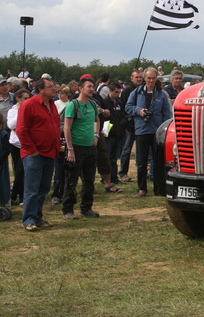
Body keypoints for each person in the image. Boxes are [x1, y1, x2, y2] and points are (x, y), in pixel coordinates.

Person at [15, 77, 60, 231]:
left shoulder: (52, 104)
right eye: (50, 86)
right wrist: (32, 149)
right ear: (40, 89)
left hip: (50, 152)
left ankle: (37, 217)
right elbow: (21, 129)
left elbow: (54, 126)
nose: (54, 89)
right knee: (32, 188)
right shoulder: (29, 105)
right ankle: (28, 220)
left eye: (54, 86)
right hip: (34, 154)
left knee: (43, 188)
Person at [126, 67, 171, 197]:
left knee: (157, 161)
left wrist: (163, 130)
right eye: (149, 78)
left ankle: (158, 188)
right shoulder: (136, 92)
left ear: (156, 78)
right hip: (141, 130)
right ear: (144, 78)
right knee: (141, 161)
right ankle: (142, 188)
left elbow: (166, 114)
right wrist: (138, 111)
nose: (151, 80)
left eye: (153, 78)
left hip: (156, 132)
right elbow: (128, 107)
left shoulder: (162, 95)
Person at [61, 77, 102, 220]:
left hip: (90, 148)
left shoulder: (92, 104)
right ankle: (67, 209)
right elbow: (67, 128)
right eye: (89, 86)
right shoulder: (73, 105)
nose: (92, 89)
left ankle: (86, 208)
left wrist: (96, 135)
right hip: (76, 148)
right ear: (80, 89)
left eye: (93, 86)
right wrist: (70, 149)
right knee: (71, 180)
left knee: (89, 180)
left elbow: (97, 119)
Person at [118, 69, 144, 183]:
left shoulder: (145, 90)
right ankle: (123, 172)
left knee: (140, 151)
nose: (139, 79)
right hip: (130, 125)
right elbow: (123, 108)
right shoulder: (127, 91)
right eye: (136, 77)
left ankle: (140, 172)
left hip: (142, 125)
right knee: (126, 149)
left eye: (140, 77)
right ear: (131, 78)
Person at [7, 89, 30, 206]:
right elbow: (11, 125)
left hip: (26, 144)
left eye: (28, 98)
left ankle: (16, 195)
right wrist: (20, 111)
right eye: (25, 98)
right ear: (18, 99)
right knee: (18, 171)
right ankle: (17, 195)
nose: (27, 100)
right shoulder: (13, 111)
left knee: (23, 171)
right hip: (15, 144)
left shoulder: (30, 109)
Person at [102, 82, 126, 188]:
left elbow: (122, 116)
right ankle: (105, 178)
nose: (118, 94)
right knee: (106, 157)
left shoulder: (119, 103)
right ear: (110, 91)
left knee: (114, 157)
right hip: (108, 133)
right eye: (116, 92)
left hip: (118, 133)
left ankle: (114, 177)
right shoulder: (105, 102)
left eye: (119, 92)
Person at [0, 113, 10, 208]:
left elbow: (7, 149)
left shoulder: (3, 134)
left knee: (2, 183)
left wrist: (0, 161)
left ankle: (3, 203)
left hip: (0, 163)